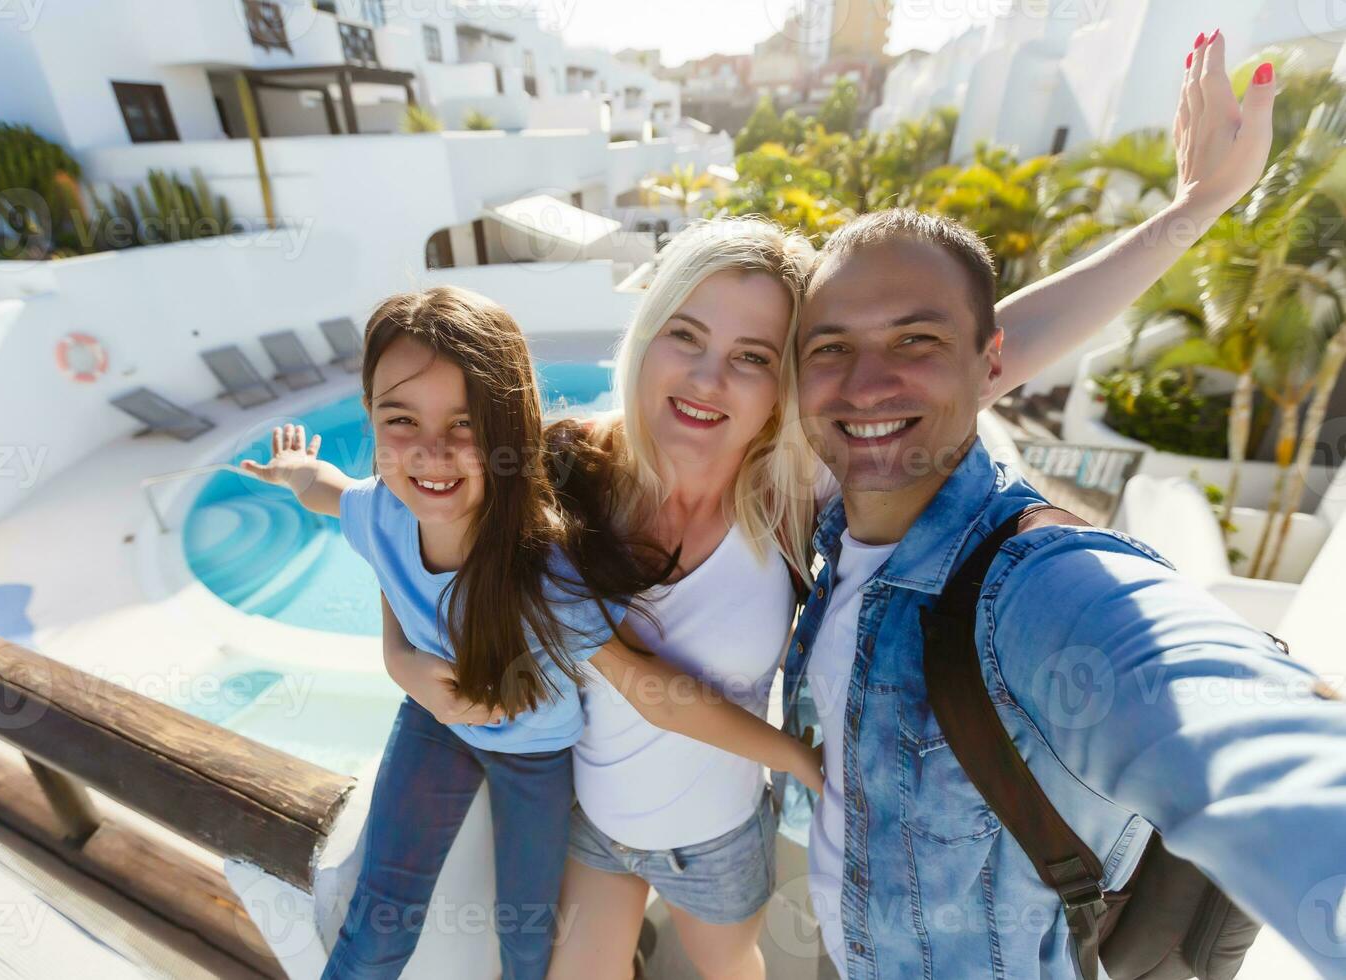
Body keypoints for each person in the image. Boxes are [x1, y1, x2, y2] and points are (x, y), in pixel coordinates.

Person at [548, 28, 1286, 980]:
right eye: (683, 334)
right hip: (629, 828)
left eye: (755, 357)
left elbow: (980, 353)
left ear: (784, 385)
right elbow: (429, 532)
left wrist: (1195, 212)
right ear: (647, 334)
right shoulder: (572, 466)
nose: (706, 378)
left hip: (739, 839)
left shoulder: (790, 485)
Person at [781, 61, 1346, 979]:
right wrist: (1190, 211)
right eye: (831, 348)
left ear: (988, 365)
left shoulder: (1040, 588)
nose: (868, 382)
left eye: (915, 341)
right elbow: (961, 344)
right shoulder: (829, 514)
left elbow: (1236, 728)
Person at [240, 285, 821, 980]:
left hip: (535, 759)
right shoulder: (378, 513)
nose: (431, 452)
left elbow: (653, 690)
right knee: (377, 918)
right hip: (436, 725)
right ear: (369, 417)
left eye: (464, 425)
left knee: (526, 943)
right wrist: (293, 472)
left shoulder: (545, 574)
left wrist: (792, 755)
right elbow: (328, 493)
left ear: (511, 432)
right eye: (400, 419)